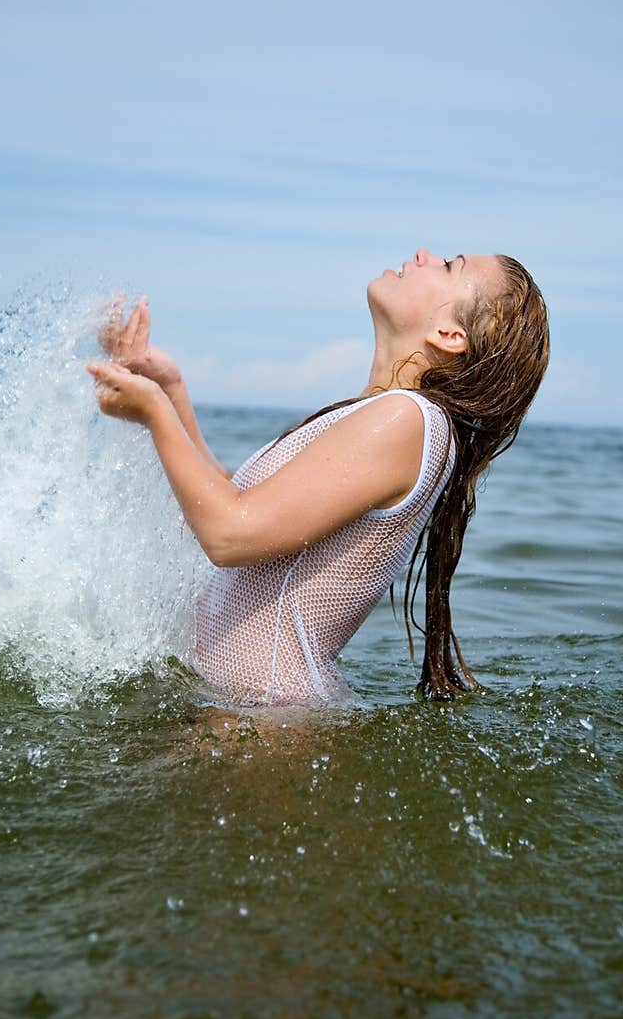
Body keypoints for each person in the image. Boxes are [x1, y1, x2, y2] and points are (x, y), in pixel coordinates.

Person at [86, 248, 550, 707]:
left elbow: (229, 533)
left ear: (450, 334)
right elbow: (231, 502)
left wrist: (153, 412)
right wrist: (170, 389)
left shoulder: (408, 419)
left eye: (450, 266)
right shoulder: (389, 415)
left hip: (260, 723)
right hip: (239, 707)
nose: (425, 255)